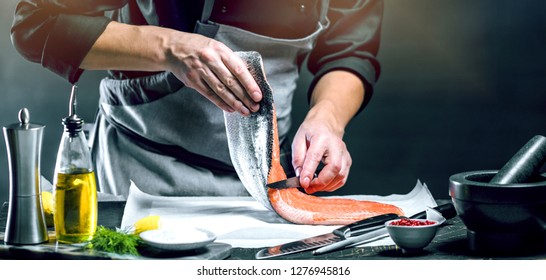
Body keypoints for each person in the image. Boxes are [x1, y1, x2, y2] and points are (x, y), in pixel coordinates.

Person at [10, 0, 383, 199]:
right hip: (144, 170)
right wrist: (170, 48)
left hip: (267, 182)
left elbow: (349, 52)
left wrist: (327, 118)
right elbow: (37, 24)